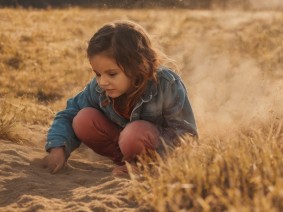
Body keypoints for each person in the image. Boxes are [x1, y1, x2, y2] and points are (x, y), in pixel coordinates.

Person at [42, 20, 198, 175]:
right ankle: (124, 162)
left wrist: (156, 162)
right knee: (82, 119)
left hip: (155, 148)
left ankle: (142, 166)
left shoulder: (166, 84)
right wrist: (58, 148)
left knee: (133, 134)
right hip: (124, 144)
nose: (102, 82)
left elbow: (186, 135)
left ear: (137, 66)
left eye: (112, 74)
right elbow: (68, 114)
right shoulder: (98, 89)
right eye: (97, 74)